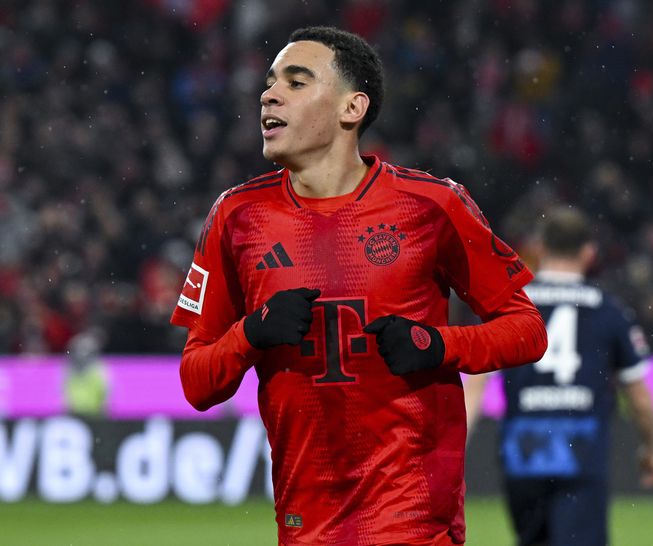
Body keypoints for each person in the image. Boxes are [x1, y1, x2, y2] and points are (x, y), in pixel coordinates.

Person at [170, 26, 547, 546]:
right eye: (270, 81)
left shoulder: (433, 206)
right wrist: (251, 333)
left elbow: (527, 330)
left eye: (296, 82)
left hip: (413, 518)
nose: (268, 94)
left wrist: (436, 345)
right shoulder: (237, 216)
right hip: (305, 525)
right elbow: (196, 382)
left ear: (352, 108)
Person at [463, 205, 653, 546]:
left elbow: (475, 386)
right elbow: (639, 398)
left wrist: (456, 451)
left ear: (540, 249)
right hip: (581, 452)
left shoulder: (511, 305)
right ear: (589, 253)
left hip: (522, 454)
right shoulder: (608, 310)